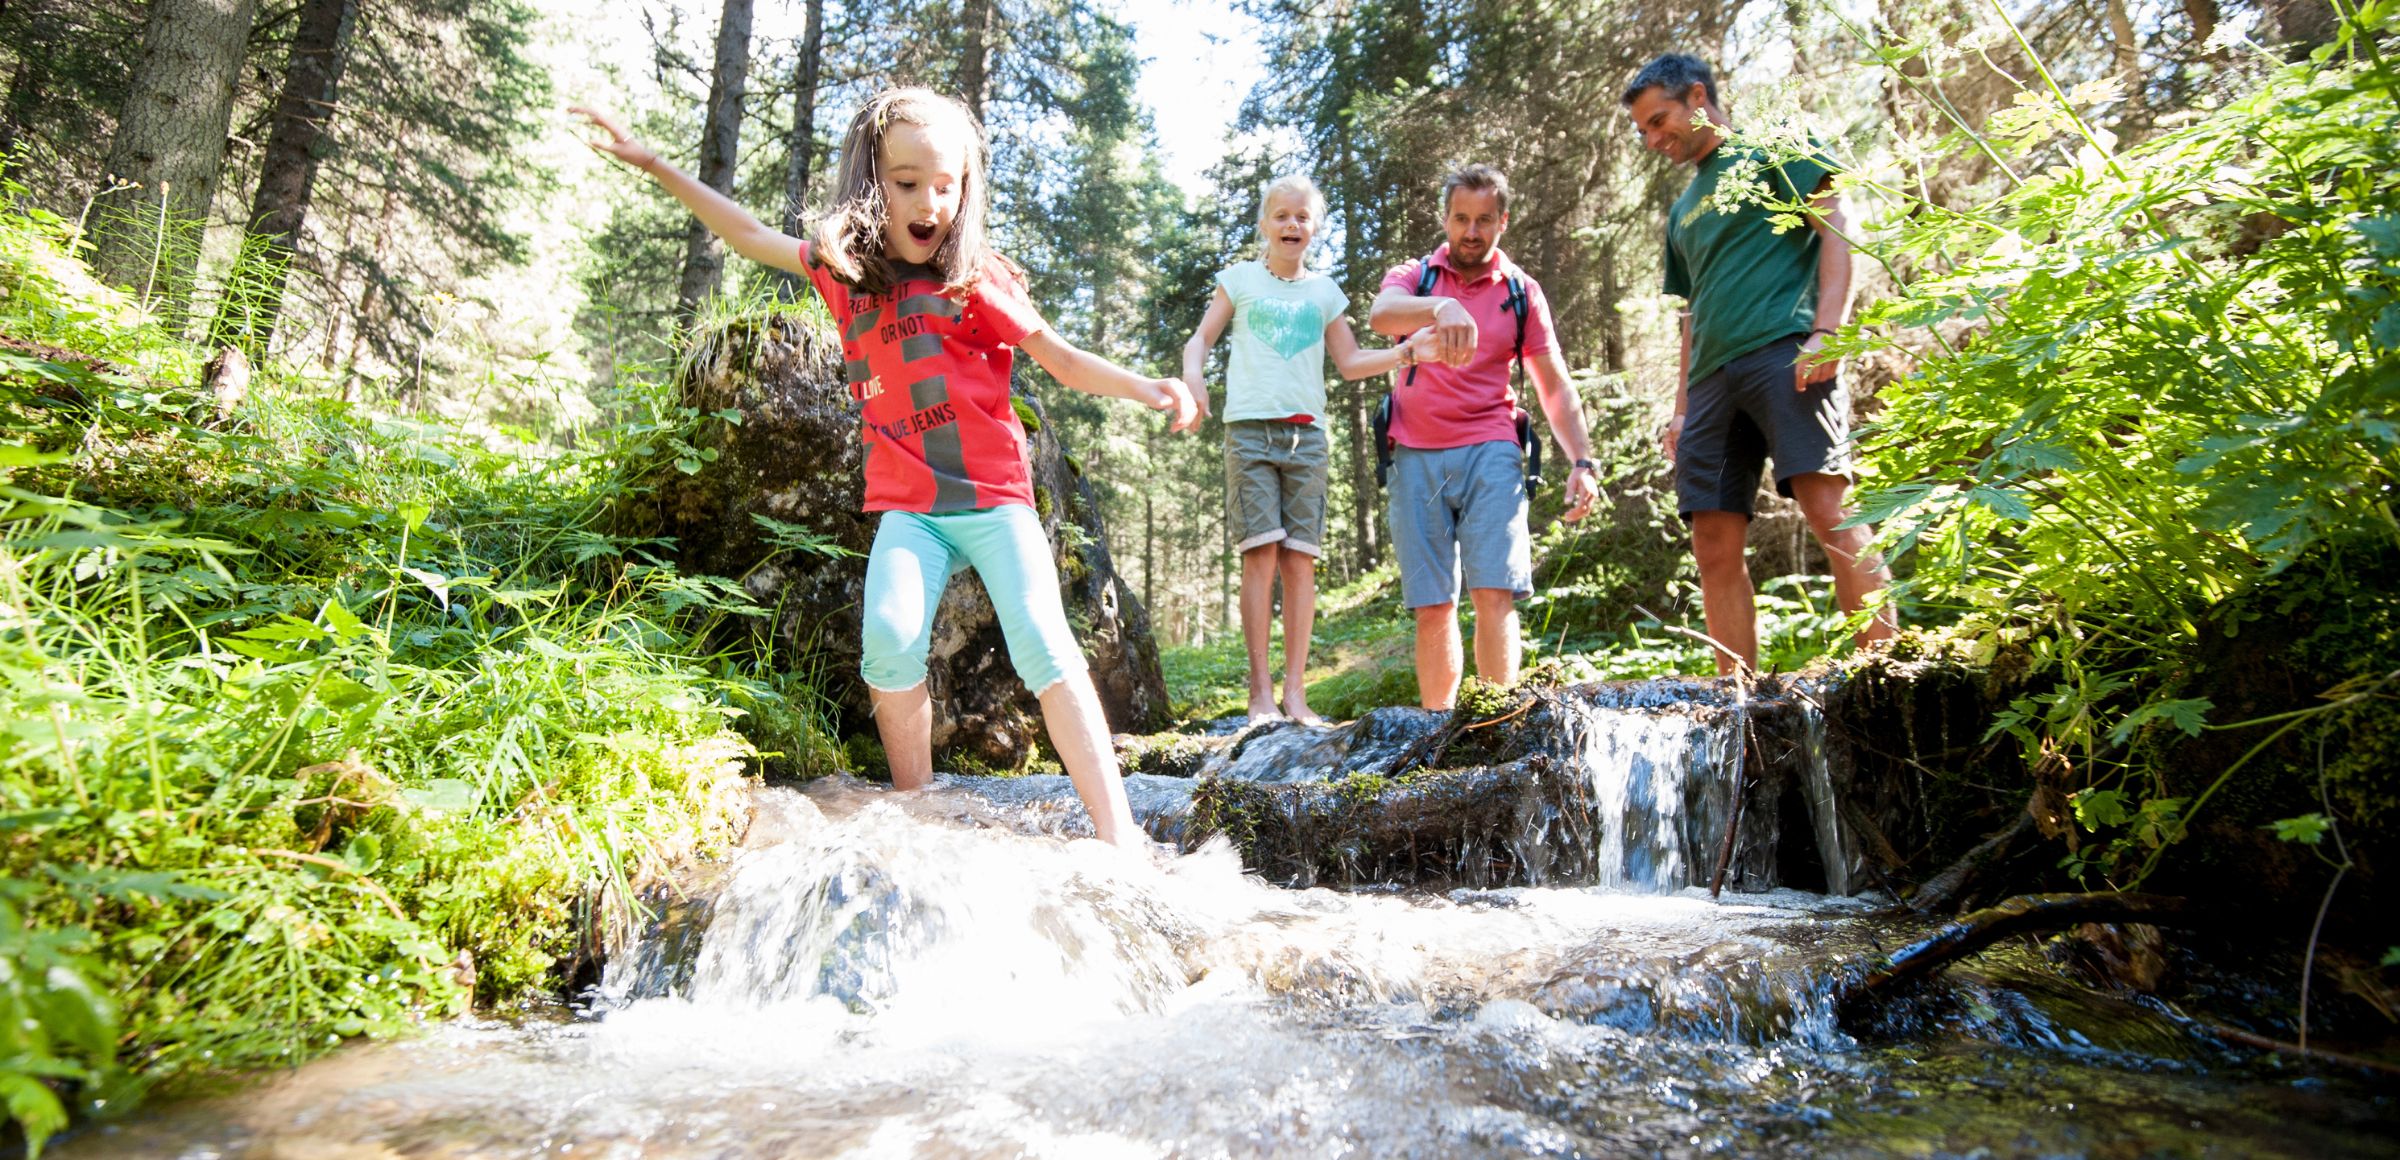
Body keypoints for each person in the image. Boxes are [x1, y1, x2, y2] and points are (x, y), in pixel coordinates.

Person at [573, 89, 1197, 847]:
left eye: (947, 184)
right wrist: (651, 162)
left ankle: (1119, 837)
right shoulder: (846, 272)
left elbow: (1060, 361)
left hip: (997, 502)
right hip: (910, 510)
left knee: (1042, 641)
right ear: (872, 180)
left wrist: (1143, 386)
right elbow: (745, 234)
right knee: (891, 640)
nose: (930, 201)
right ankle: (918, 811)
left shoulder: (977, 282)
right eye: (907, 182)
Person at [1621, 54, 1896, 677]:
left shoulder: (1776, 147)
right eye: (1643, 131)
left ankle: (1885, 674)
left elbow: (1837, 229)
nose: (1653, 140)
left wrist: (1828, 331)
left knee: (1831, 509)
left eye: (1659, 121)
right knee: (1713, 543)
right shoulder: (1682, 209)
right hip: (1712, 384)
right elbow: (1692, 311)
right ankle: (1734, 705)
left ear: (1697, 96)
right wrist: (1681, 409)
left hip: (1786, 349)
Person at [1181, 175, 1434, 726]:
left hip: (1307, 440)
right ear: (1265, 224)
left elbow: (1349, 363)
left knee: (1300, 563)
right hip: (1249, 433)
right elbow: (1200, 338)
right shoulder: (1240, 280)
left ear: (1315, 227)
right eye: (1282, 216)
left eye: (1302, 217)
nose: (1292, 224)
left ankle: (1296, 695)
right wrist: (1193, 378)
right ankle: (1260, 696)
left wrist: (1406, 354)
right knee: (1260, 556)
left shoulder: (1324, 293)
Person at [1367, 164, 1600, 711]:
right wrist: (1441, 306)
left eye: (1484, 220)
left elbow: (1554, 384)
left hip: (1492, 448)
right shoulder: (1416, 276)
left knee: (1494, 590)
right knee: (1433, 603)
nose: (1471, 232)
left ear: (1503, 221)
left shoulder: (1521, 292)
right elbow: (1381, 315)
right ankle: (1438, 727)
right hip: (1414, 452)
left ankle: (1499, 722)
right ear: (1445, 219)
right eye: (1461, 219)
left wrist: (1582, 461)